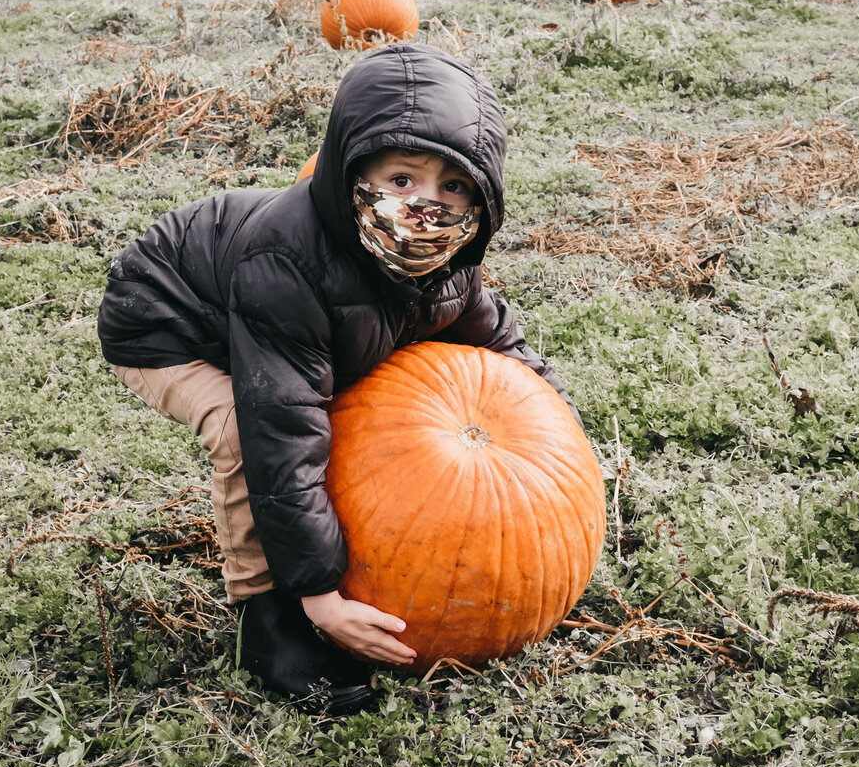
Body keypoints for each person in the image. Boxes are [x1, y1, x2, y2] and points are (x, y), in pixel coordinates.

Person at [97, 43, 578, 713]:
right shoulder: (288, 265)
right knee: (247, 429)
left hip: (265, 319)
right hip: (165, 319)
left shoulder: (446, 260)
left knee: (334, 382)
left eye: (453, 188)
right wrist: (319, 596)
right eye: (402, 180)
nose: (425, 210)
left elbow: (495, 337)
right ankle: (264, 618)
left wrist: (556, 433)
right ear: (353, 168)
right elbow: (283, 427)